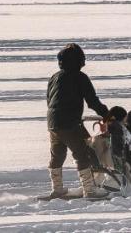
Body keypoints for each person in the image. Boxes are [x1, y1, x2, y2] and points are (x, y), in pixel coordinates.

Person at [43, 43, 109, 199]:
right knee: (82, 153)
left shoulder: (54, 77)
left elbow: (49, 99)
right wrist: (108, 116)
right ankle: (90, 190)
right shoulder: (80, 77)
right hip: (69, 123)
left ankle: (57, 189)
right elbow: (92, 101)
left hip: (53, 123)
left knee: (57, 155)